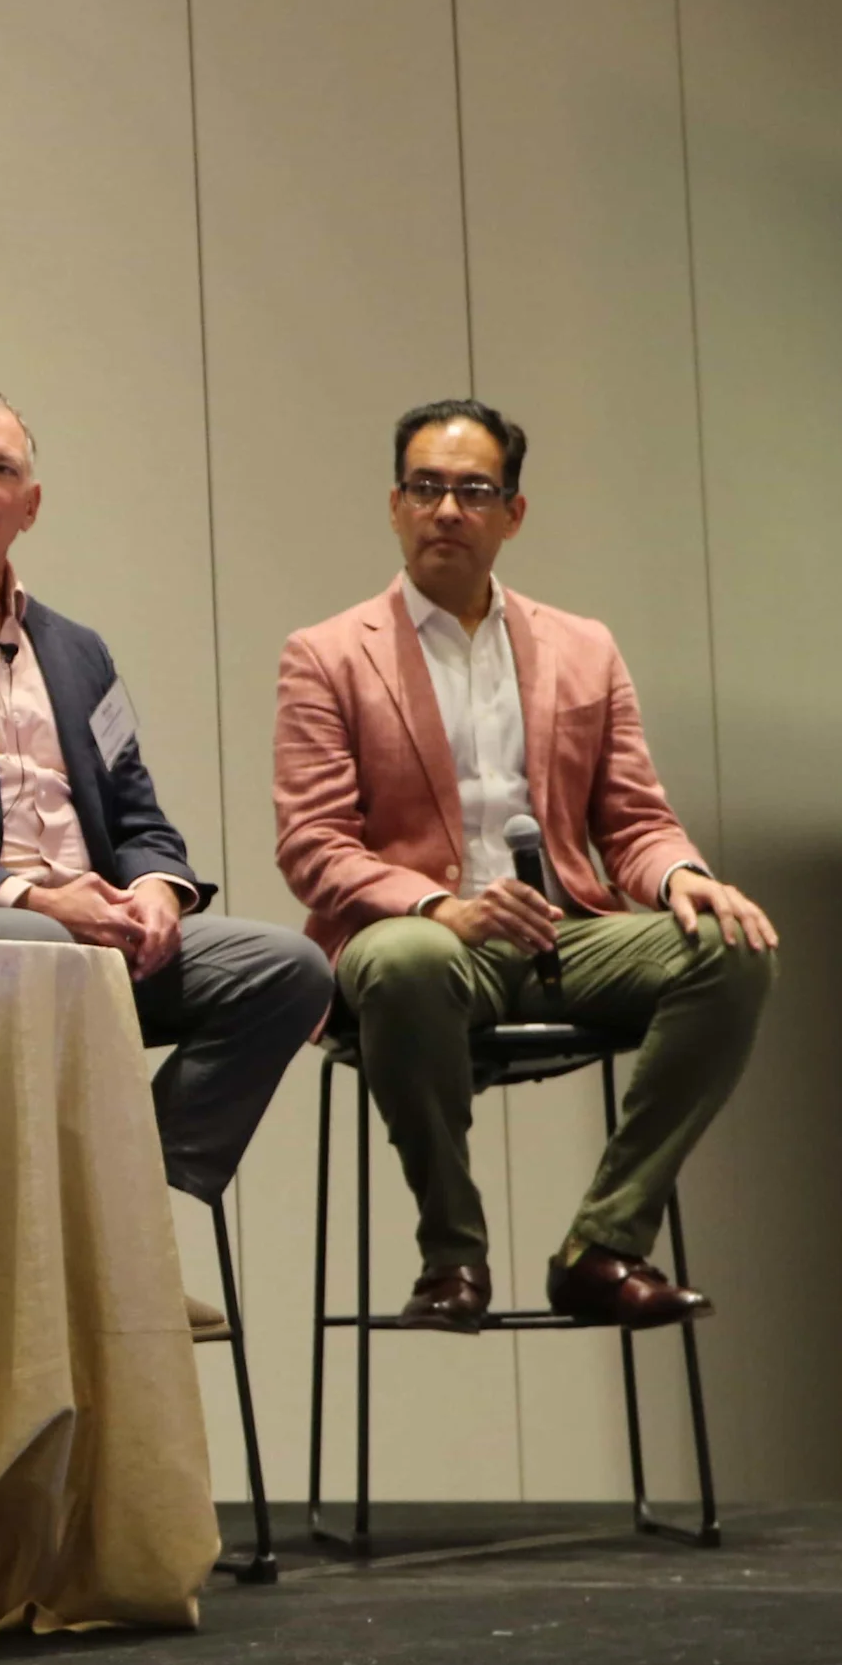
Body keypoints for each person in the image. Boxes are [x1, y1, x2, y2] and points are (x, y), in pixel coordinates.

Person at [0, 393, 329, 1316]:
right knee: (44, 957)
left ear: (30, 506)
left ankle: (120, 1224)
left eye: (2, 471)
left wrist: (157, 891)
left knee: (289, 970)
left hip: (92, 927)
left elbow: (141, 813)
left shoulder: (78, 651)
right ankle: (63, 1254)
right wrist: (32, 900)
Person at [272, 398, 778, 1330]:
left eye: (473, 491)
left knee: (733, 947)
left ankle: (605, 1244)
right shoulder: (331, 655)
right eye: (426, 488)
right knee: (400, 961)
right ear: (394, 505)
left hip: (565, 937)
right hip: (424, 947)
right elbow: (313, 846)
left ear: (513, 513)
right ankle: (452, 1256)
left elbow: (633, 822)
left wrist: (680, 877)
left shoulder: (583, 649)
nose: (447, 511)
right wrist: (437, 908)